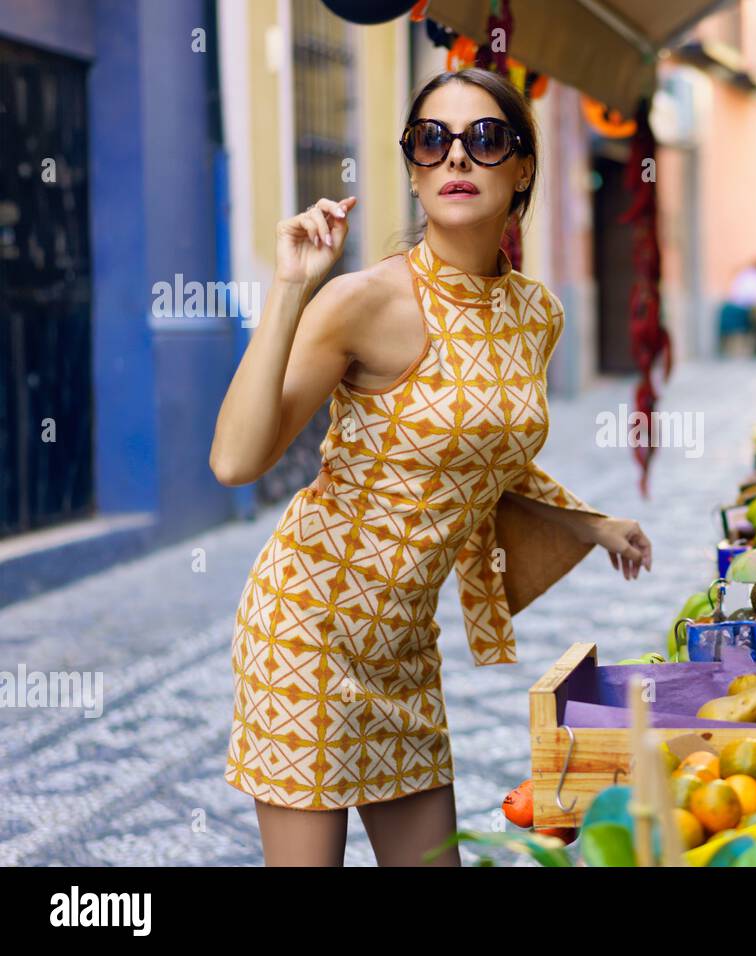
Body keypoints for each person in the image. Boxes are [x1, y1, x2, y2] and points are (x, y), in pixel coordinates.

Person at [209, 68, 653, 867]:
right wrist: (289, 290)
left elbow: (485, 463)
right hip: (306, 628)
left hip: (405, 647)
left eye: (484, 140)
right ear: (413, 169)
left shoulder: (536, 315)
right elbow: (236, 460)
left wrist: (594, 523)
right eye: (431, 140)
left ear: (522, 168)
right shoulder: (362, 301)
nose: (456, 158)